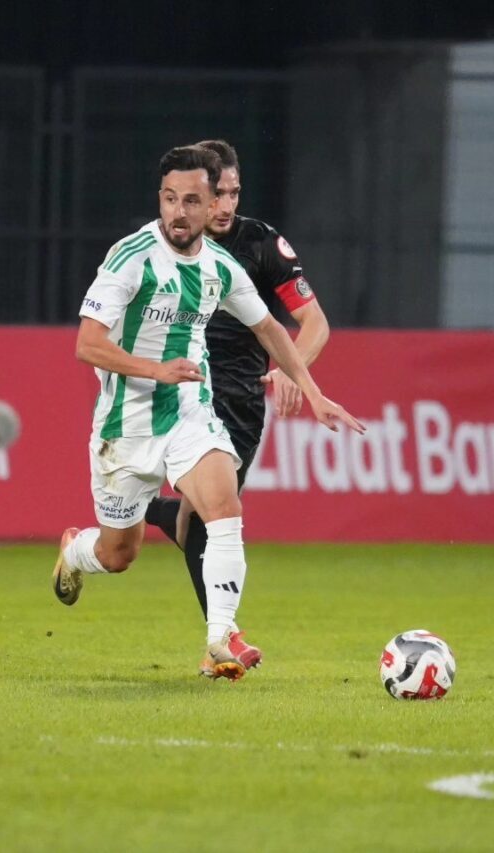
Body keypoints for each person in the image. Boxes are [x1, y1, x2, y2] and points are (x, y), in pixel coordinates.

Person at [51, 145, 363, 680]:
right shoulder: (131, 257)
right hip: (125, 425)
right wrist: (156, 369)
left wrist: (312, 392)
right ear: (160, 199)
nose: (180, 211)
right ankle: (76, 552)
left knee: (223, 507)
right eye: (170, 199)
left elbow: (269, 328)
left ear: (210, 204)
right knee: (119, 554)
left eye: (192, 201)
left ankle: (221, 637)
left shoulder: (221, 266)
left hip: (190, 414)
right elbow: (88, 344)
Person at [143, 139, 331, 669]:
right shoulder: (164, 243)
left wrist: (292, 369)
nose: (225, 205)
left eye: (234, 193)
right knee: (205, 521)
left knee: (196, 521)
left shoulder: (263, 246)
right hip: (175, 394)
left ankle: (143, 517)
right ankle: (223, 642)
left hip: (238, 403)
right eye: (218, 194)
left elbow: (314, 323)